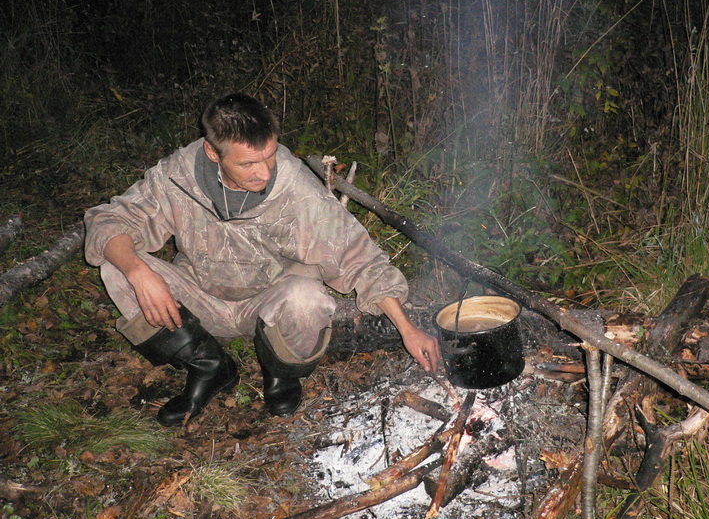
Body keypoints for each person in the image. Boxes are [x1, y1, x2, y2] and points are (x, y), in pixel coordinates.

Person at [84, 93, 441, 427]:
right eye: (248, 163)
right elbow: (108, 220)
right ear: (213, 153)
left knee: (307, 298)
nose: (265, 173)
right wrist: (138, 270)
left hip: (270, 306)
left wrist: (407, 329)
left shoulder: (294, 186)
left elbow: (355, 254)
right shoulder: (177, 177)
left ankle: (280, 371)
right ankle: (209, 367)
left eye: (269, 156)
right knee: (117, 265)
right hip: (200, 299)